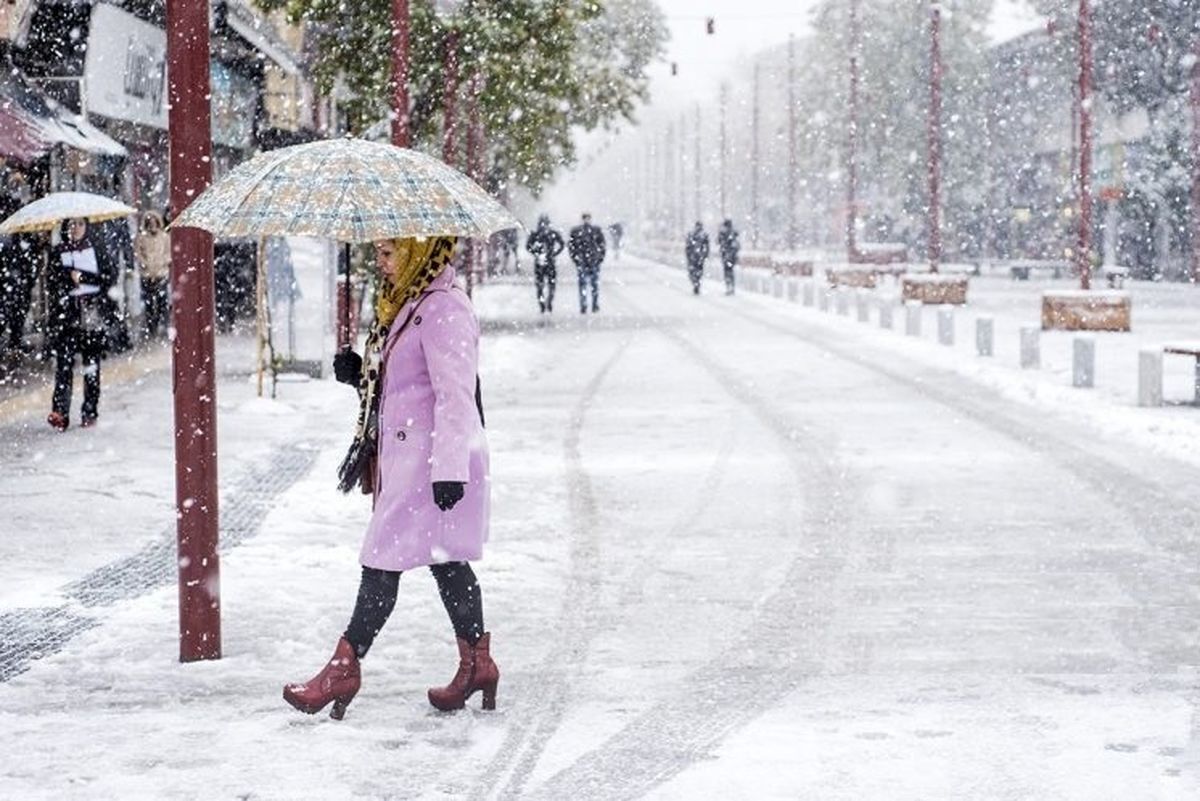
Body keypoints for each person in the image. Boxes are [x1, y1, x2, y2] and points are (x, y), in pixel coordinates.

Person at [283, 235, 498, 720]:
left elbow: (454, 395)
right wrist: (359, 375)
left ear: (420, 252)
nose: (380, 263)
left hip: (433, 464)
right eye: (377, 253)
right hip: (409, 459)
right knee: (446, 562)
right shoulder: (410, 303)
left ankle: (344, 668)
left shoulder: (444, 308)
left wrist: (449, 470)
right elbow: (405, 386)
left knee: (382, 561)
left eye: (388, 252)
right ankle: (477, 664)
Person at [46, 218, 113, 430]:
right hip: (67, 315)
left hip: (92, 314)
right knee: (64, 365)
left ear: (87, 227)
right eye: (72, 224)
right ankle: (60, 411)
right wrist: (69, 277)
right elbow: (52, 280)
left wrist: (82, 277)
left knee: (91, 366)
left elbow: (108, 278)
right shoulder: (58, 251)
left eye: (80, 224)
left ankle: (90, 411)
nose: (75, 229)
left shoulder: (97, 249)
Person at [134, 211, 171, 338]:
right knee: (148, 303)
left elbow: (168, 254)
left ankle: (164, 325)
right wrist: (146, 264)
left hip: (161, 273)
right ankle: (152, 327)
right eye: (150, 223)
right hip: (147, 275)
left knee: (162, 302)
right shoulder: (141, 238)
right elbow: (138, 254)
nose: (152, 225)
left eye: (154, 222)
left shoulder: (165, 237)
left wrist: (161, 263)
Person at [525, 215, 564, 314]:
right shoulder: (539, 234)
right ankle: (543, 304)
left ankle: (547, 302)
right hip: (543, 262)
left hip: (547, 262)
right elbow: (528, 246)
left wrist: (553, 253)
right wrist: (537, 253)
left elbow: (562, 244)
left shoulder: (547, 234)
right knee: (542, 285)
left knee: (547, 285)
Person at [568, 212, 606, 314]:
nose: (587, 220)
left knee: (589, 284)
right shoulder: (581, 231)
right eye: (586, 218)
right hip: (586, 261)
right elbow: (571, 246)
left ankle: (591, 304)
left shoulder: (592, 231)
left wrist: (600, 258)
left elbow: (602, 245)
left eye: (588, 218)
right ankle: (586, 305)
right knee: (587, 284)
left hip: (590, 261)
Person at [685, 221, 709, 295]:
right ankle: (696, 282)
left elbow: (688, 246)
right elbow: (707, 247)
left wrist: (688, 254)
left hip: (694, 256)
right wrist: (705, 255)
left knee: (693, 271)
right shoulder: (703, 235)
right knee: (698, 271)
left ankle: (696, 282)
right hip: (699, 256)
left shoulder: (692, 234)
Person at [718, 219, 740, 296]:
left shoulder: (724, 233)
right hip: (731, 256)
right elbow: (737, 246)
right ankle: (731, 286)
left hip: (727, 255)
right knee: (730, 271)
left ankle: (729, 286)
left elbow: (719, 242)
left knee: (727, 271)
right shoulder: (733, 234)